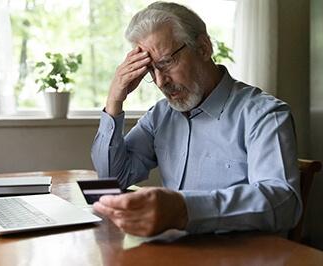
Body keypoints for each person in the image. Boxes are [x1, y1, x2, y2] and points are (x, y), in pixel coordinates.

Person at [91, 1, 301, 237]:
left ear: (203, 48)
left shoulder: (264, 114)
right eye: (151, 70)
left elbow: (284, 203)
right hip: (173, 253)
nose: (160, 82)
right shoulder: (161, 116)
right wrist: (114, 102)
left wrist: (184, 209)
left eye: (166, 63)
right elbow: (112, 180)